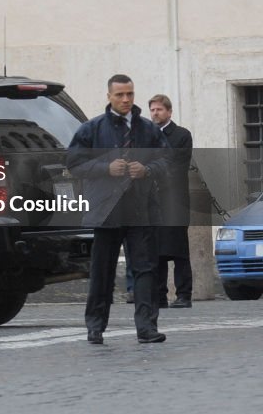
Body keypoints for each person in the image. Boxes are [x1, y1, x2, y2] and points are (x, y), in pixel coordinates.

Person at [67, 74, 169, 345]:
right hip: (106, 210)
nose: (126, 100)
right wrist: (105, 168)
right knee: (102, 270)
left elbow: (167, 161)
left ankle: (146, 327)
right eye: (120, 95)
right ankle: (95, 327)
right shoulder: (92, 129)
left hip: (141, 210)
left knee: (146, 270)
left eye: (130, 95)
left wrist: (146, 169)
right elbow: (74, 163)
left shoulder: (148, 129)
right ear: (109, 96)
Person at [148, 93, 194, 309]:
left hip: (174, 201)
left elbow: (176, 165)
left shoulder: (181, 135)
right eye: (153, 110)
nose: (155, 113)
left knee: (179, 251)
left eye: (159, 109)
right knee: (156, 251)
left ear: (169, 112)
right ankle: (159, 296)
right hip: (152, 201)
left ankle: (184, 294)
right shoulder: (146, 136)